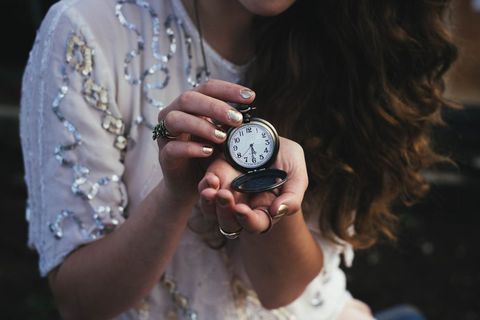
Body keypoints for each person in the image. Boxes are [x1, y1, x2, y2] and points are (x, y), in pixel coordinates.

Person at [19, 0, 457, 319]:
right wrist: (175, 193)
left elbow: (281, 290)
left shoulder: (352, 41)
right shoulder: (85, 32)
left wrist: (271, 200)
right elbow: (81, 302)